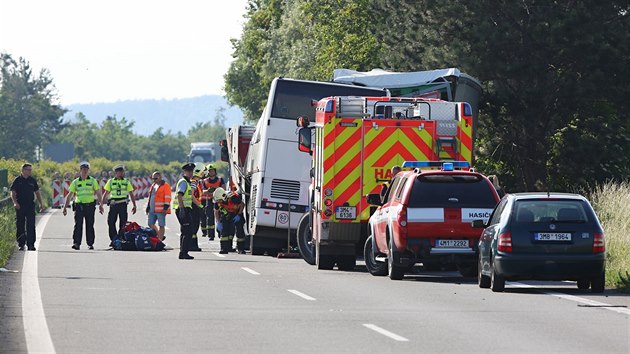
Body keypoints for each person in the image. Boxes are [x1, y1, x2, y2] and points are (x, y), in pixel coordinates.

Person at [62, 161, 104, 250]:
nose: (85, 171)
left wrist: (101, 204)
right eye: (83, 169)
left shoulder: (92, 181)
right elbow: (70, 195)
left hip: (90, 206)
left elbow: (98, 193)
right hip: (79, 206)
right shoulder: (76, 182)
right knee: (78, 225)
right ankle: (76, 243)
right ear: (80, 170)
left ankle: (90, 243)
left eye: (87, 170)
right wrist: (65, 207)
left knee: (90, 225)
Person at [10, 163, 45, 251]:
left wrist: (41, 204)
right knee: (20, 225)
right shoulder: (17, 180)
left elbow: (37, 192)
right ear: (23, 170)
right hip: (20, 205)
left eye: (30, 170)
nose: (30, 171)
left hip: (30, 205)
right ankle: (21, 243)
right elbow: (13, 192)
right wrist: (15, 202)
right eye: (28, 170)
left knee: (31, 225)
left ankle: (31, 244)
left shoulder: (32, 180)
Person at [102, 165, 137, 247]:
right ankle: (114, 239)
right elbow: (106, 193)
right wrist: (101, 204)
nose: (121, 173)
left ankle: (120, 238)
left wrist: (134, 205)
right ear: (116, 173)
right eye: (120, 172)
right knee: (111, 222)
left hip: (122, 204)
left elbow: (131, 193)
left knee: (123, 223)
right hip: (113, 204)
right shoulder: (110, 181)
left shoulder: (126, 182)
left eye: (122, 172)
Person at [173, 163, 195, 260]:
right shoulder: (183, 182)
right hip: (183, 209)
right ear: (184, 172)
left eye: (191, 171)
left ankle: (183, 252)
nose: (190, 173)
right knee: (188, 232)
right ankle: (183, 252)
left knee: (185, 231)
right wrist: (182, 209)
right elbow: (179, 195)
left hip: (185, 209)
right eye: (188, 171)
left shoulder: (188, 182)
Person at [213, 187, 246, 254]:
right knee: (224, 231)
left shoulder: (234, 198)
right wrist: (218, 222)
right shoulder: (218, 201)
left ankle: (241, 249)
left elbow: (242, 204)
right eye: (217, 201)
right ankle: (224, 249)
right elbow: (216, 211)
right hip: (226, 214)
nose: (218, 202)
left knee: (239, 230)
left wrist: (239, 215)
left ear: (223, 197)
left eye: (219, 200)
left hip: (236, 213)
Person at [200, 163, 225, 240]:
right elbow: (203, 191)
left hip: (219, 200)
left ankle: (220, 232)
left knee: (220, 217)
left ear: (215, 171)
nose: (211, 172)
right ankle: (211, 235)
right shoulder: (205, 181)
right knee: (210, 218)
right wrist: (208, 190)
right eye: (210, 171)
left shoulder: (220, 179)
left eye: (212, 171)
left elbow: (224, 189)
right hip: (209, 200)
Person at [146, 171, 171, 242]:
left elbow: (168, 198)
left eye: (155, 178)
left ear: (160, 177)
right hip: (152, 209)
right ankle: (159, 236)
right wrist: (148, 207)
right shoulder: (153, 185)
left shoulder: (165, 186)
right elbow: (150, 197)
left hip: (161, 210)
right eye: (153, 179)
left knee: (161, 225)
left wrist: (165, 208)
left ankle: (159, 240)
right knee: (150, 224)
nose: (154, 180)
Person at [188, 165, 205, 252]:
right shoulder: (194, 183)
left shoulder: (196, 183)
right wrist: (199, 204)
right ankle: (192, 245)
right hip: (194, 206)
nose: (203, 174)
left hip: (194, 206)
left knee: (194, 226)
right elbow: (191, 195)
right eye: (202, 173)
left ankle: (193, 245)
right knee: (194, 225)